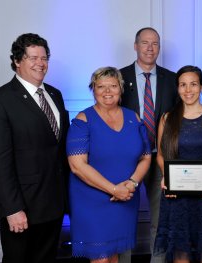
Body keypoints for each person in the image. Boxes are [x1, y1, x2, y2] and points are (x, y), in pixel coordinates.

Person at [0, 33, 69, 263]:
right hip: (23, 207)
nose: (41, 63)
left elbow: (58, 150)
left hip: (54, 204)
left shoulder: (54, 95)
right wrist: (12, 209)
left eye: (44, 57)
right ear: (17, 61)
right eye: (33, 58)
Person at [66, 67, 152, 263]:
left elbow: (146, 156)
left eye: (112, 86)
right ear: (93, 90)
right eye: (101, 86)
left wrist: (132, 183)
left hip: (126, 197)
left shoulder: (134, 118)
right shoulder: (83, 120)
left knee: (113, 256)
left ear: (120, 89)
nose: (107, 91)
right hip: (92, 200)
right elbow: (77, 166)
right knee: (101, 259)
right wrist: (114, 189)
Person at [154, 65, 202, 263]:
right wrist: (166, 176)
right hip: (176, 195)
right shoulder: (167, 119)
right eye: (183, 85)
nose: (188, 90)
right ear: (177, 88)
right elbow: (160, 155)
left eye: (193, 84)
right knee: (180, 252)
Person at [120, 27, 178, 263]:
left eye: (155, 43)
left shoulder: (172, 79)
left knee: (160, 219)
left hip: (161, 157)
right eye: (145, 43)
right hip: (127, 159)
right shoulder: (119, 78)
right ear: (135, 46)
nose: (150, 48)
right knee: (123, 219)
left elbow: (177, 120)